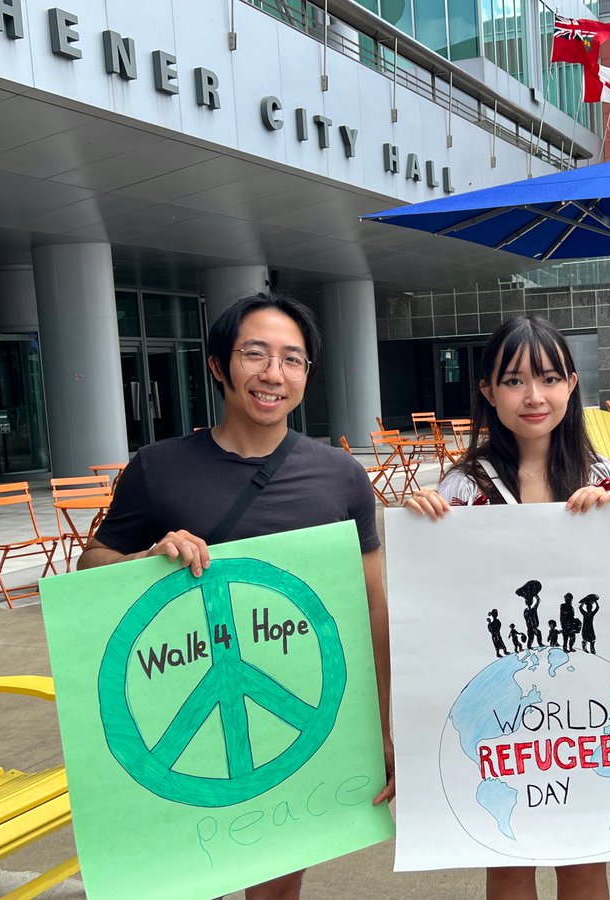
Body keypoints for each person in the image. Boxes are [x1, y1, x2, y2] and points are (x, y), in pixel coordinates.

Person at [78, 293, 394, 900]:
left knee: (275, 881)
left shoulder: (340, 476)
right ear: (220, 365)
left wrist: (380, 723)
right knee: (187, 877)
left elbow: (372, 605)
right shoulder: (157, 467)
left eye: (293, 360)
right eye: (256, 354)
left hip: (296, 710)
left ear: (306, 375)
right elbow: (90, 563)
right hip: (178, 701)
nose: (273, 374)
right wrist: (143, 562)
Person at [404, 314, 610, 900]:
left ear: (572, 385)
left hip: (584, 699)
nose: (534, 396)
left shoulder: (604, 480)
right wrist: (421, 524)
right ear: (487, 391)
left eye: (549, 378)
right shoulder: (459, 486)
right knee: (506, 852)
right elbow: (436, 596)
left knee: (585, 849)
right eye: (514, 380)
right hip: (500, 698)